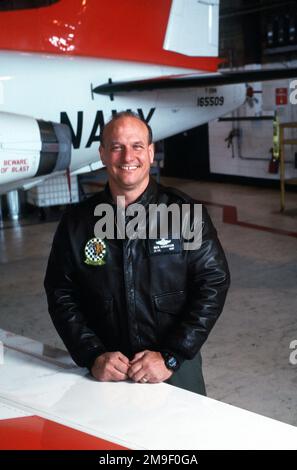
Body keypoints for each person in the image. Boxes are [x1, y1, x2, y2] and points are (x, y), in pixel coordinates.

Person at [44, 111, 230, 395]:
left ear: (151, 153)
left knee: (184, 439)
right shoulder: (78, 222)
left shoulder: (183, 213)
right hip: (106, 370)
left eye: (137, 146)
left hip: (174, 368)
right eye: (117, 147)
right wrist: (91, 354)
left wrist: (172, 355)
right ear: (103, 154)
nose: (127, 156)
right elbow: (61, 292)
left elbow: (213, 283)